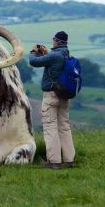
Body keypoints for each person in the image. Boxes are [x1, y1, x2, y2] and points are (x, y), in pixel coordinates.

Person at [29, 31, 75, 169]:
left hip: (51, 96)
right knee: (64, 127)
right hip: (65, 96)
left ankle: (54, 161)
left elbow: (33, 61)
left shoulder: (55, 55)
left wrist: (33, 51)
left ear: (57, 41)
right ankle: (69, 159)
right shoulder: (67, 55)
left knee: (50, 127)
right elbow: (53, 62)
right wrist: (45, 53)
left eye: (53, 40)